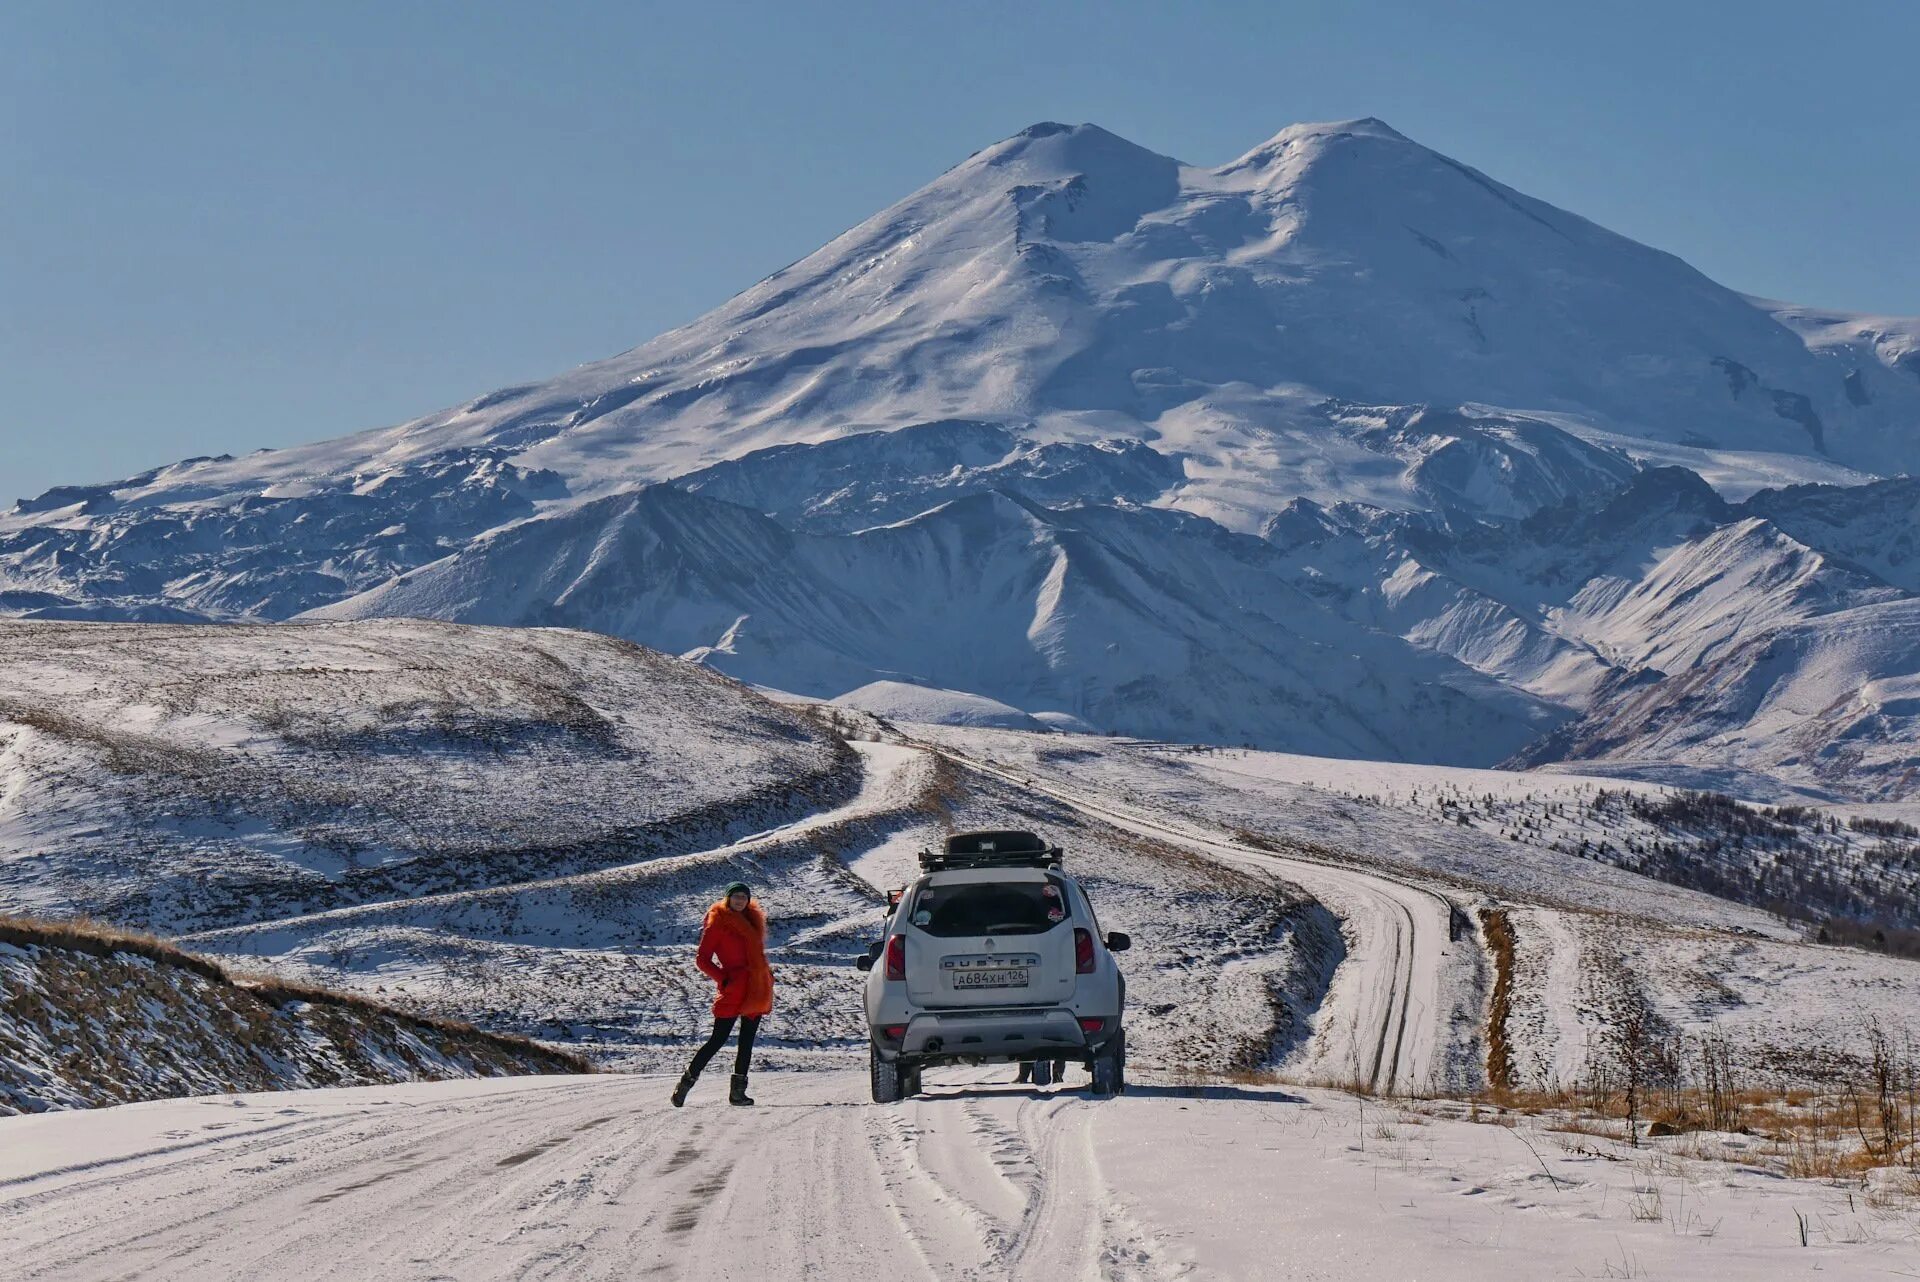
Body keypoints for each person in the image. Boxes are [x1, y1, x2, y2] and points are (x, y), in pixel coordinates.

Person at [671, 881, 773, 1107]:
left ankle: (737, 1094)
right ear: (728, 898)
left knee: (746, 1043)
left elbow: (757, 957)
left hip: (756, 988)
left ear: (748, 901)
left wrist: (766, 976)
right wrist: (723, 978)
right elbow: (702, 959)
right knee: (718, 1039)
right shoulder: (718, 924)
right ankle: (685, 1083)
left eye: (743, 897)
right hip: (734, 988)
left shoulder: (753, 922)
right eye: (735, 896)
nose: (739, 900)